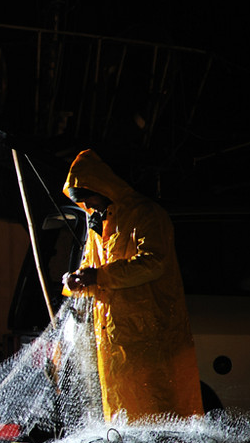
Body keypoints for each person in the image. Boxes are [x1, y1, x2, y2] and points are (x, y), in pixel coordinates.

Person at [62, 149, 204, 423]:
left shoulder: (146, 215)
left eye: (88, 197)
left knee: (158, 412)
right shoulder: (100, 225)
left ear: (101, 187)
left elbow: (154, 262)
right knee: (123, 415)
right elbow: (92, 269)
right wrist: (75, 281)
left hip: (150, 337)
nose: (88, 206)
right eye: (82, 202)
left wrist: (98, 277)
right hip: (114, 342)